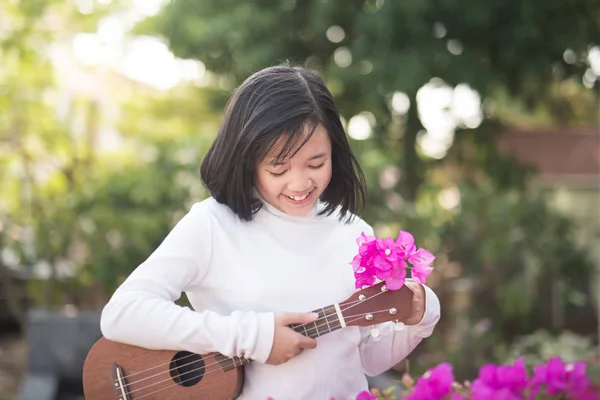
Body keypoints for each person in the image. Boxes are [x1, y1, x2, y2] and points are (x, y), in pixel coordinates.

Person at [100, 64, 441, 400]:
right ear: (247, 159)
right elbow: (123, 313)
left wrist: (421, 315)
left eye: (316, 163)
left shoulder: (353, 232)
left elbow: (369, 356)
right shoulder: (212, 225)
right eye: (278, 167)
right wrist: (251, 335)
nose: (300, 183)